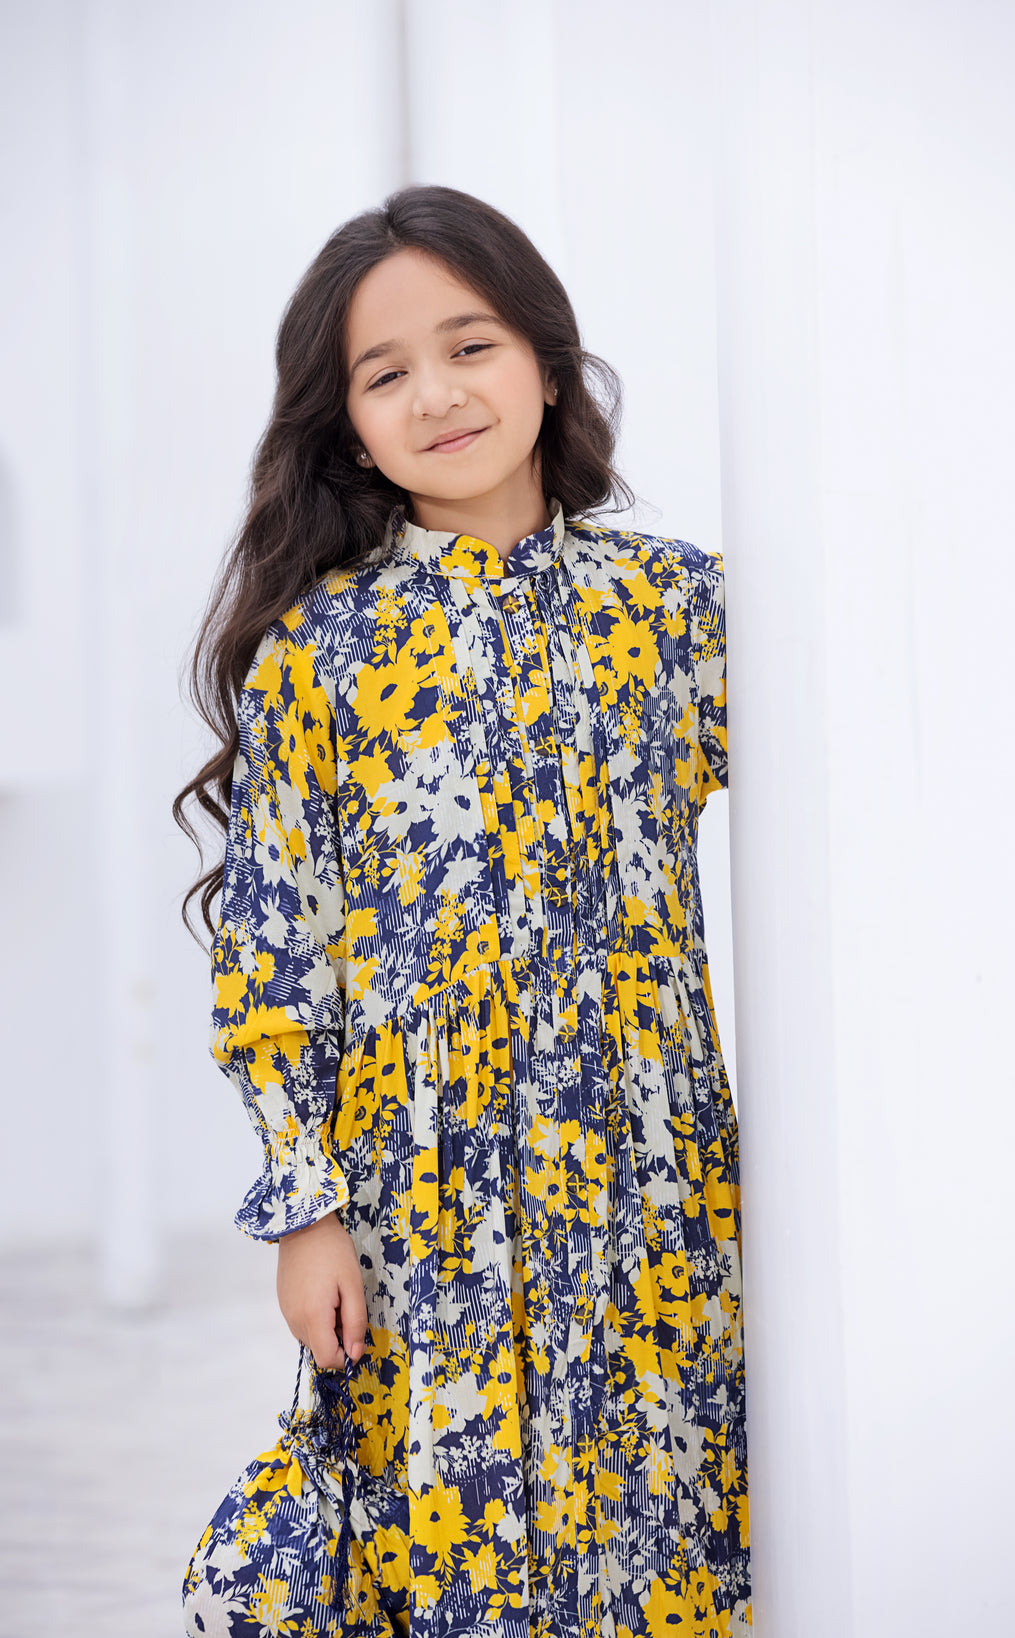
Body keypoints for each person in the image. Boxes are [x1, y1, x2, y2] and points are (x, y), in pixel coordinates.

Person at [175, 183, 750, 1638]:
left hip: (648, 1179)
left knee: (658, 1541)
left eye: (470, 345)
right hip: (420, 1198)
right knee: (453, 1564)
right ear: (349, 426)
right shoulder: (319, 653)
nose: (435, 394)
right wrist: (305, 1211)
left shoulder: (684, 613)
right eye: (385, 374)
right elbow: (274, 955)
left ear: (546, 364)